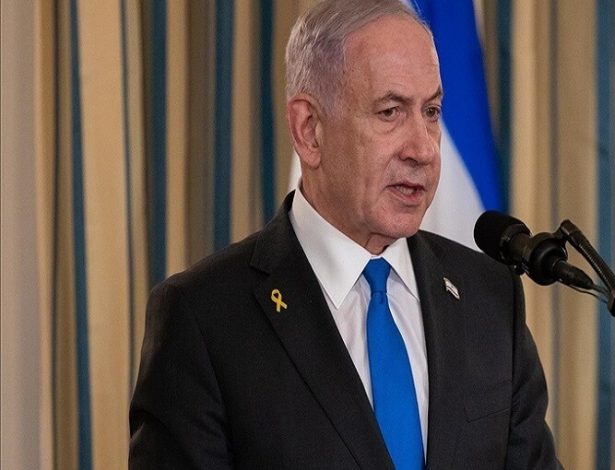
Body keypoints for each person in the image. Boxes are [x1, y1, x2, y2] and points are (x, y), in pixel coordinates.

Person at [129, 0, 562, 468]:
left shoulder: (490, 299)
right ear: (309, 130)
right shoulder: (204, 320)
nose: (423, 149)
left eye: (432, 111)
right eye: (390, 112)